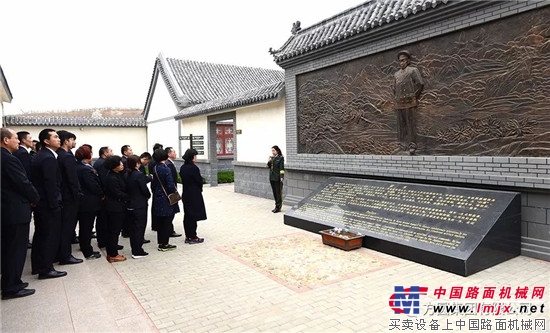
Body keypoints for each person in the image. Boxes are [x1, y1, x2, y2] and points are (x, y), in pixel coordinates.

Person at [1, 128, 39, 299]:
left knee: (9, 249)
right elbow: (22, 183)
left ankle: (10, 281)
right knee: (15, 250)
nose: (18, 141)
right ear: (6, 140)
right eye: (15, 138)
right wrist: (35, 198)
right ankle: (12, 287)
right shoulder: (9, 159)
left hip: (7, 210)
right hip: (15, 209)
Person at [30, 128, 67, 279]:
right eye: (55, 137)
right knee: (49, 236)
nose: (59, 139)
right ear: (46, 141)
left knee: (41, 235)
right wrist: (55, 205)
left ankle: (39, 266)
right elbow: (50, 184)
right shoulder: (48, 158)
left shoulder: (43, 155)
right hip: (48, 205)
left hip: (42, 203)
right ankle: (46, 269)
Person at [56, 130, 84, 265]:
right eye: (73, 140)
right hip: (69, 197)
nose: (74, 142)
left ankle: (61, 253)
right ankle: (65, 255)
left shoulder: (60, 155)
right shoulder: (66, 156)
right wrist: (77, 195)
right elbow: (72, 179)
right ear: (66, 141)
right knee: (67, 227)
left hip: (63, 195)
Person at [393, 50, 424, 154]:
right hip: (399, 103)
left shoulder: (412, 70)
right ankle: (402, 145)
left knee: (410, 124)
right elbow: (394, 88)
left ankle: (412, 145)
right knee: (401, 126)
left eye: (403, 60)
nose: (401, 62)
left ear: (408, 61)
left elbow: (420, 83)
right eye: (400, 61)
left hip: (410, 102)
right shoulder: (396, 74)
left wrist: (413, 96)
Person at [75, 145, 103, 260]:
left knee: (84, 226)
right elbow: (93, 185)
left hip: (83, 201)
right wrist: (102, 193)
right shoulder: (86, 169)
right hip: (89, 202)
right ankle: (87, 251)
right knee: (87, 227)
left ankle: (84, 246)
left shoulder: (78, 166)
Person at [102, 155, 128, 262]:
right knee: (114, 231)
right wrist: (129, 196)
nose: (122, 164)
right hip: (114, 208)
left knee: (114, 231)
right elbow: (117, 193)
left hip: (116, 206)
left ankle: (113, 251)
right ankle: (112, 254)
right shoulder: (112, 177)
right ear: (114, 166)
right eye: (120, 163)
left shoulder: (116, 174)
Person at [151, 149, 178, 251]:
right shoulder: (166, 169)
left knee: (161, 221)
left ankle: (161, 242)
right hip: (166, 197)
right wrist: (175, 193)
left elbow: (154, 184)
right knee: (167, 221)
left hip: (158, 196)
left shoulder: (155, 167)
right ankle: (165, 244)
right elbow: (170, 185)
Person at [125, 155, 151, 258]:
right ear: (136, 164)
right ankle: (137, 250)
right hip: (139, 205)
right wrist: (148, 195)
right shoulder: (138, 175)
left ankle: (134, 248)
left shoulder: (127, 174)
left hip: (130, 204)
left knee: (132, 228)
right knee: (140, 227)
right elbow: (144, 189)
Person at [179, 148, 206, 244]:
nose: (196, 158)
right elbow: (199, 181)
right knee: (193, 216)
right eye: (195, 156)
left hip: (186, 193)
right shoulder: (193, 168)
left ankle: (188, 236)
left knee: (187, 215)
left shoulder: (183, 167)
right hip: (194, 194)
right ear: (192, 157)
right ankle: (193, 236)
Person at [93, 146, 113, 248]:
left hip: (102, 195)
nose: (112, 153)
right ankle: (104, 241)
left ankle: (103, 240)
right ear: (105, 153)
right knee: (103, 219)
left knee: (102, 219)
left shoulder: (99, 162)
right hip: (103, 196)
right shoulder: (103, 164)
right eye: (110, 151)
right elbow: (105, 180)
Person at [165, 147, 182, 238]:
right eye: (174, 152)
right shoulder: (169, 165)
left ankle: (169, 229)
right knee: (171, 211)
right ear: (169, 154)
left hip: (171, 189)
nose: (175, 154)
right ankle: (169, 230)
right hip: (171, 192)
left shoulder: (169, 163)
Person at [267, 145, 285, 213]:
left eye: (273, 150)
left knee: (278, 193)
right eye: (272, 150)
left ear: (277, 151)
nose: (272, 152)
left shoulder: (280, 158)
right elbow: (268, 166)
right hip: (272, 177)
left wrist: (281, 177)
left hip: (277, 178)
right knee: (274, 192)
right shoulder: (272, 158)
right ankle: (276, 205)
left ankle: (278, 207)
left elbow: (282, 168)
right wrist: (269, 161)